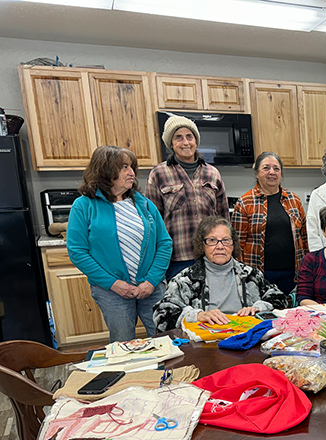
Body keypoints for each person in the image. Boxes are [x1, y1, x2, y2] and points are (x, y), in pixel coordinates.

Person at [67, 145, 172, 343]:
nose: (132, 172)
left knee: (165, 340)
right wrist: (114, 284)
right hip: (111, 291)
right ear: (105, 171)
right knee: (123, 344)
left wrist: (151, 281)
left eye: (132, 167)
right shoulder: (84, 205)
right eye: (125, 167)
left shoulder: (143, 204)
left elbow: (164, 243)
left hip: (151, 287)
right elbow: (77, 252)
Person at [153, 216, 287, 331]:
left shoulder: (250, 274)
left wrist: (259, 308)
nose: (220, 246)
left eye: (226, 240)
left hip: (247, 337)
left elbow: (280, 299)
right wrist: (196, 315)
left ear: (233, 245)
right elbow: (161, 315)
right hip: (205, 344)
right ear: (202, 245)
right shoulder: (186, 279)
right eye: (212, 240)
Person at [146, 115, 229, 280]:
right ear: (171, 144)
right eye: (178, 137)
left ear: (196, 141)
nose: (185, 142)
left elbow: (224, 218)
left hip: (211, 256)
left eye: (189, 136)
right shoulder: (158, 174)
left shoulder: (212, 173)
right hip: (177, 259)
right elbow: (152, 222)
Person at [232, 151, 308, 295]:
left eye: (276, 168)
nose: (272, 172)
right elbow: (237, 246)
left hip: (292, 274)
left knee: (291, 308)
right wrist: (243, 275)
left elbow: (304, 238)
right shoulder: (244, 203)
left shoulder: (294, 200)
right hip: (258, 275)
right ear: (256, 173)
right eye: (266, 168)